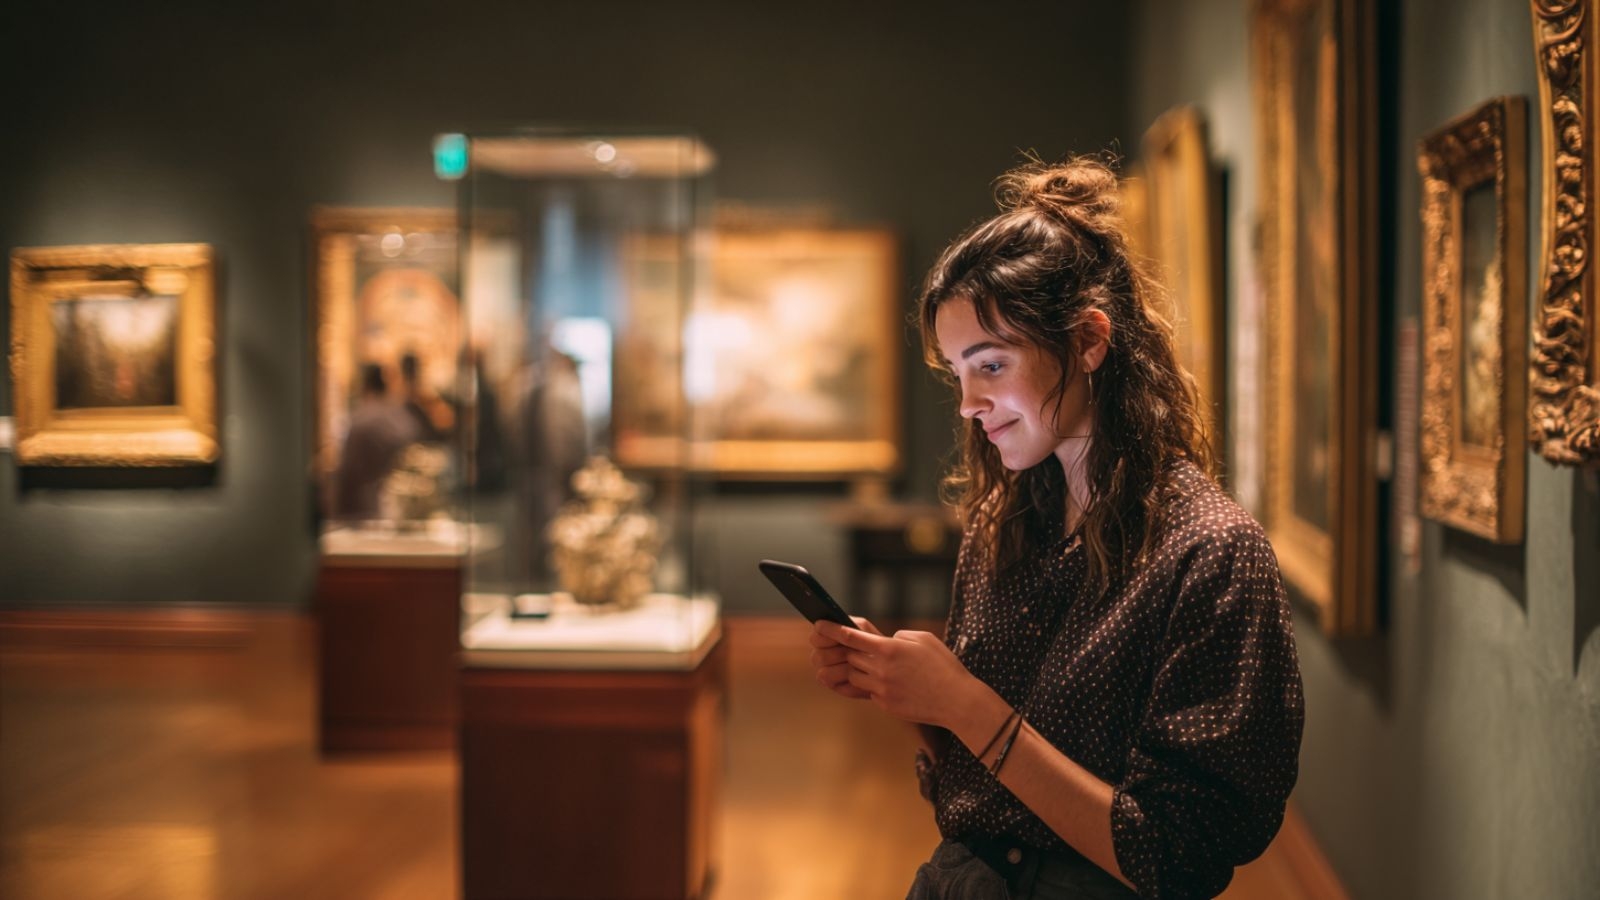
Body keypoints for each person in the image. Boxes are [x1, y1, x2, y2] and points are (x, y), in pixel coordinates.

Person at [808, 157, 1304, 900]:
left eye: (993, 364)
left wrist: (964, 703)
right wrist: (911, 694)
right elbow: (988, 783)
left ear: (1089, 341)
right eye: (957, 373)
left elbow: (1174, 856)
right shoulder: (1003, 523)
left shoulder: (1211, 553)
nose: (971, 402)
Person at [333, 363, 420, 520]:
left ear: (364, 385)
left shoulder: (362, 419)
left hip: (364, 506)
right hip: (392, 501)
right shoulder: (398, 416)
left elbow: (348, 472)